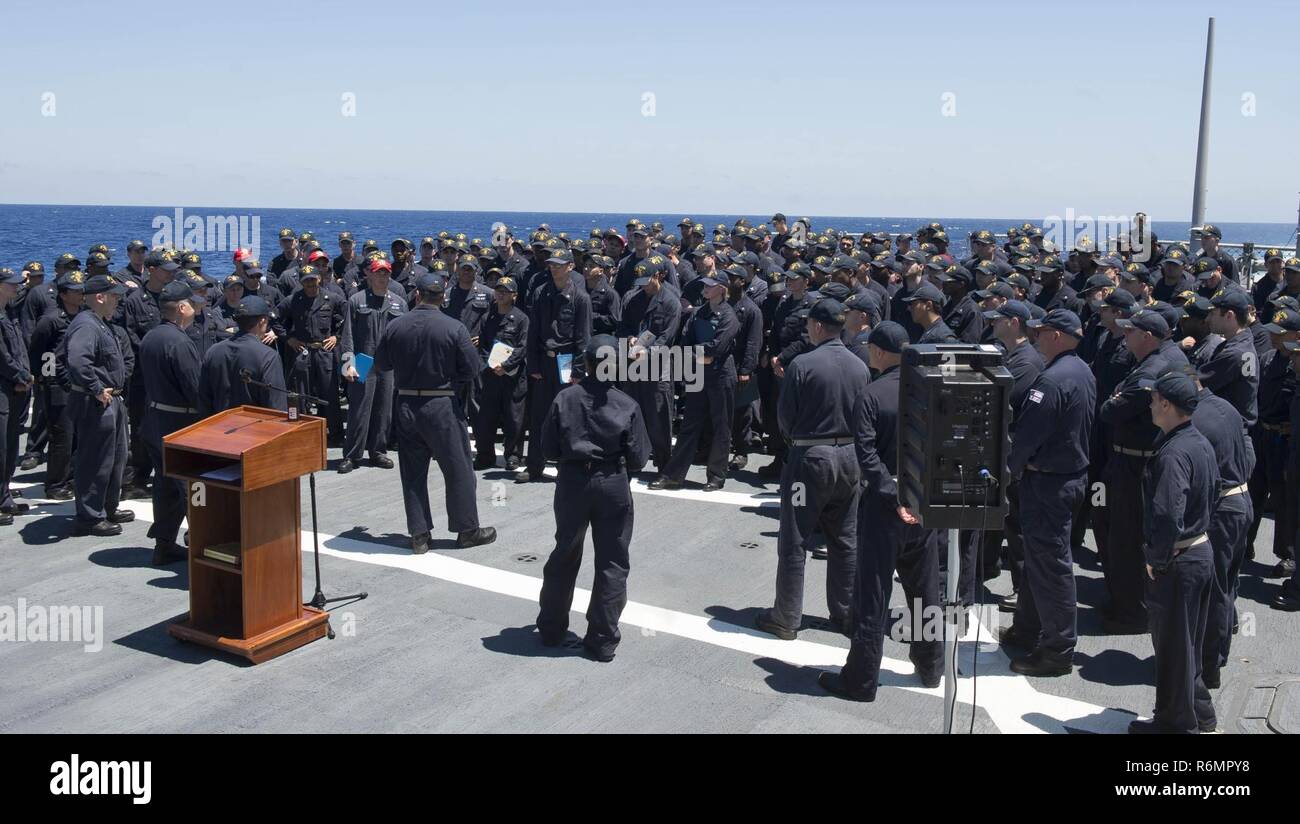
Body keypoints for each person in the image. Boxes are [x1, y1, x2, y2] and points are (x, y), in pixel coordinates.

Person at [820, 322, 942, 700]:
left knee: (872, 595)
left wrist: (893, 494)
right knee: (925, 592)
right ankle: (931, 665)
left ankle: (860, 680)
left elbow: (867, 456)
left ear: (880, 352)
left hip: (884, 508)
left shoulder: (872, 395)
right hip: (924, 506)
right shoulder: (930, 388)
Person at [754, 298, 867, 640]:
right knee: (845, 540)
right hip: (850, 458)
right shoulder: (860, 365)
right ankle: (845, 613)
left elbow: (785, 418)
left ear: (818, 326)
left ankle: (786, 617)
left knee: (795, 539)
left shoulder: (803, 364)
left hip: (811, 458)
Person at [535, 335, 651, 662]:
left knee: (565, 554)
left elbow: (548, 449)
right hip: (612, 480)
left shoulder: (564, 398)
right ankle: (601, 640)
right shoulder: (627, 404)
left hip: (573, 480)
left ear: (584, 364)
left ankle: (551, 628)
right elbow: (640, 456)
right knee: (613, 561)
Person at [998, 309, 1095, 677]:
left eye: (1042, 332)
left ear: (1056, 335)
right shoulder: (1081, 370)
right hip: (1068, 477)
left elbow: (1024, 440)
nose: (1036, 337)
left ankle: (1057, 650)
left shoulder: (1050, 382)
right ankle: (1027, 629)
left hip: (1048, 482)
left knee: (1051, 567)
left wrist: (1008, 472)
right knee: (1038, 562)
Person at [374, 271, 496, 553]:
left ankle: (419, 534)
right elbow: (472, 369)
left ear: (417, 295)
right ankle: (467, 530)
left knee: (413, 472)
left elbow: (381, 364)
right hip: (440, 403)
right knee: (459, 469)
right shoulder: (454, 328)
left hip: (406, 404)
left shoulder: (396, 326)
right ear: (442, 297)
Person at [1129, 372, 1218, 734]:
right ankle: (1201, 713)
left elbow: (1167, 512)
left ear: (1166, 404)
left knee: (1172, 650)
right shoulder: (1197, 441)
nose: (1150, 404)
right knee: (1188, 646)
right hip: (1199, 551)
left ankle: (1175, 726)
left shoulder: (1174, 453)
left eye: (1154, 399)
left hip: (1179, 559)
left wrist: (1157, 558)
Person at [1098, 308, 1172, 632]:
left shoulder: (1150, 371)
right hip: (1127, 459)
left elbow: (1112, 411)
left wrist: (1115, 399)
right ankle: (1125, 602)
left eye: (1131, 332)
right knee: (1117, 531)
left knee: (1128, 538)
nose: (1124, 335)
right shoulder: (1145, 364)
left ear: (1148, 337)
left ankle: (1132, 612)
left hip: (1136, 463)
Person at [1188, 371, 1254, 690]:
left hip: (1221, 509)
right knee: (1227, 585)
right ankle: (1218, 655)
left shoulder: (1196, 421)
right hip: (1240, 499)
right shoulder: (1226, 408)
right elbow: (1249, 453)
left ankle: (1208, 668)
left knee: (1212, 591)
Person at [650, 274, 738, 491]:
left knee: (721, 426)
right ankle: (673, 474)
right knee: (690, 425)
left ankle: (716, 475)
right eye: (705, 285)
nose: (705, 289)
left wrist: (699, 354)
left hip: (721, 375)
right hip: (699, 373)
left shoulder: (729, 316)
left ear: (722, 289)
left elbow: (717, 348)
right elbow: (685, 340)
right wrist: (699, 355)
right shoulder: (699, 312)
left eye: (710, 285)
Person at [62, 273, 135, 537]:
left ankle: (107, 506)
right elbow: (78, 361)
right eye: (113, 295)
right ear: (99, 297)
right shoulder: (87, 325)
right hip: (97, 402)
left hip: (112, 399)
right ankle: (89, 516)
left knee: (116, 457)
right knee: (96, 460)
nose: (117, 300)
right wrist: (95, 388)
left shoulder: (101, 323)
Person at [137, 281, 202, 565]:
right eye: (192, 304)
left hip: (155, 420)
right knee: (193, 489)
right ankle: (204, 543)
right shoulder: (179, 341)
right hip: (179, 423)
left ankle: (164, 543)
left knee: (165, 487)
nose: (196, 309)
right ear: (182, 308)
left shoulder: (152, 336)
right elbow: (195, 388)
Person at [520, 248, 592, 483]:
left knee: (567, 417)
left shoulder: (581, 298)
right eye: (552, 265)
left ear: (570, 266)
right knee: (539, 416)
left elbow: (583, 338)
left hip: (567, 361)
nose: (554, 268)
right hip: (544, 361)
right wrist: (533, 365)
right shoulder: (541, 292)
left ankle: (566, 467)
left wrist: (579, 371)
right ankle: (534, 466)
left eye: (559, 265)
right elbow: (533, 332)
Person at [338, 258, 406, 474]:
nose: (382, 277)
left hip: (388, 363)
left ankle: (378, 452)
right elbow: (347, 335)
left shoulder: (399, 302)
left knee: (384, 411)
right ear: (369, 275)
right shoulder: (356, 300)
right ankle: (352, 455)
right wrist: (348, 363)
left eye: (386, 273)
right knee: (359, 410)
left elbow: (404, 336)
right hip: (363, 360)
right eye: (378, 273)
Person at [616, 258, 681, 474]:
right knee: (631, 415)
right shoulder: (633, 299)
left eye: (647, 281)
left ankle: (664, 466)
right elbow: (623, 326)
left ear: (659, 276)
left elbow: (667, 338)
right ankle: (633, 459)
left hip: (657, 367)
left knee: (659, 420)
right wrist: (629, 339)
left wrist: (647, 351)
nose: (644, 286)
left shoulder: (671, 302)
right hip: (633, 364)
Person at [279, 265, 346, 444]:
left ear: (319, 279)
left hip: (324, 352)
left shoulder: (332, 298)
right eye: (306, 280)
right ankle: (302, 432)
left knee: (330, 393)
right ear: (301, 282)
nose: (310, 283)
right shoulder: (293, 300)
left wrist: (336, 336)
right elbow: (273, 319)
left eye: (312, 279)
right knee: (300, 395)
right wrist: (288, 339)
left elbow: (348, 316)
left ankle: (337, 435)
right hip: (303, 352)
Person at [473, 276, 529, 470]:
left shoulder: (521, 318)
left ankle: (513, 455)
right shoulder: (488, 316)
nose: (500, 294)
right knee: (486, 417)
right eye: (498, 290)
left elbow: (523, 348)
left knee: (514, 417)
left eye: (505, 291)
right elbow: (483, 344)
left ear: (514, 295)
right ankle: (484, 455)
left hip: (513, 375)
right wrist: (490, 365)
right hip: (491, 374)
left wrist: (505, 366)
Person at [197, 296, 287, 414]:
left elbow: (204, 400)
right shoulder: (268, 356)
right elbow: (276, 407)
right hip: (254, 429)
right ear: (262, 321)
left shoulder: (213, 351)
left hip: (218, 427)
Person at [0, 269, 32, 526]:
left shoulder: (8, 313)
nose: (16, 289)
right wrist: (20, 376)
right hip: (4, 388)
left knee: (10, 443)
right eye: (11, 285)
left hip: (14, 388)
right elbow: (2, 357)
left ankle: (4, 494)